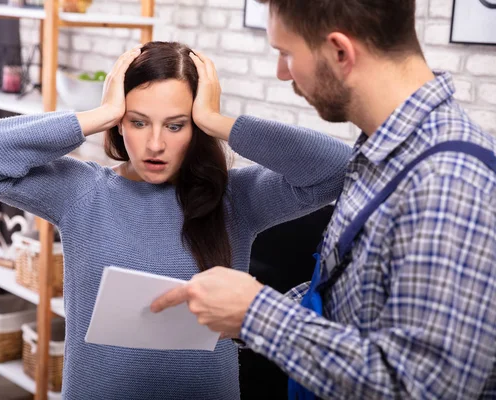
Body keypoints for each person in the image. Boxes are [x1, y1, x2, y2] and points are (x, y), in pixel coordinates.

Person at [0, 41, 351, 399]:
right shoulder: (81, 191)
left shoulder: (235, 198)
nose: (155, 144)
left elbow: (339, 169)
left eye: (176, 125)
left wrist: (219, 122)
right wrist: (100, 113)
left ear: (195, 127)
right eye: (138, 122)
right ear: (120, 123)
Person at [151, 1, 496, 399]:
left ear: (339, 52)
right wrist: (241, 311)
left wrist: (257, 313)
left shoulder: (448, 182)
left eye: (286, 53)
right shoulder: (383, 155)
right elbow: (350, 305)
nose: (282, 73)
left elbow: (419, 389)